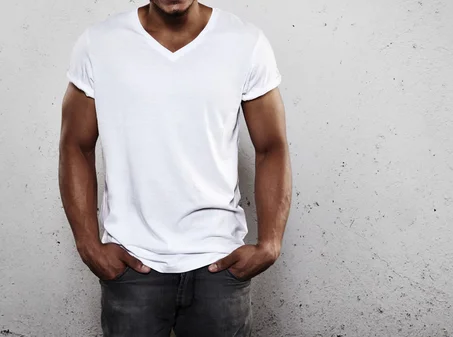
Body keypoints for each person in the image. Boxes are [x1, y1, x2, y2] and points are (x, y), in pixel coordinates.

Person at [58, 1, 292, 336]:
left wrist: (270, 243)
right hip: (132, 264)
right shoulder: (99, 43)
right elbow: (75, 145)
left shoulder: (244, 41)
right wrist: (88, 245)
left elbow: (271, 147)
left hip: (219, 264)